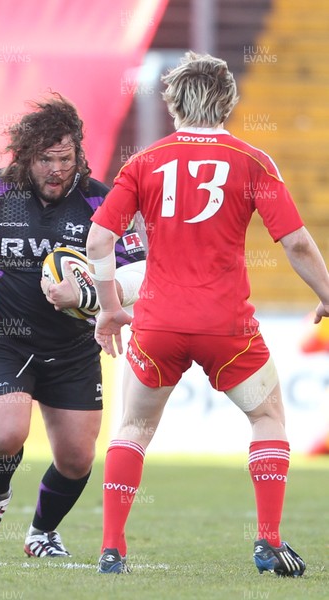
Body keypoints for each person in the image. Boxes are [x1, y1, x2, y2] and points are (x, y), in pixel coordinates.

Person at [86, 52, 329, 576]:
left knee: (132, 429)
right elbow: (297, 245)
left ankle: (112, 549)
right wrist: (328, 294)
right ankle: (267, 542)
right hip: (227, 326)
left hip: (158, 324)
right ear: (229, 101)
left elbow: (100, 238)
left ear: (173, 103)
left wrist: (109, 309)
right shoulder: (252, 160)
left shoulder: (143, 162)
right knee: (267, 419)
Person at [0, 93, 145, 558]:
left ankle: (42, 532)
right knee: (6, 434)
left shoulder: (101, 200)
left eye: (64, 158)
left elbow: (139, 268)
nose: (55, 169)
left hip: (72, 346)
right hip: (1, 334)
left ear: (79, 154)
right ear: (27, 156)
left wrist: (90, 297)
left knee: (76, 459)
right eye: (45, 159)